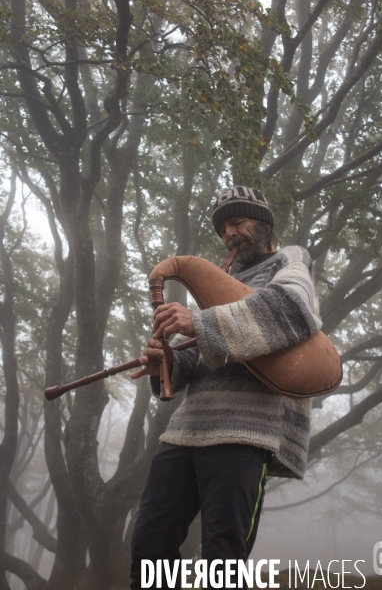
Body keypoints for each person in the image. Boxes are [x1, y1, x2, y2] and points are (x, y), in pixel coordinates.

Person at [129, 186, 322, 589]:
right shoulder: (222, 283)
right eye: (222, 229)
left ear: (263, 223)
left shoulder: (290, 259)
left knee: (222, 558)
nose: (229, 234)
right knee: (149, 544)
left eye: (237, 222)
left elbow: (293, 309)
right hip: (186, 431)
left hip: (246, 430)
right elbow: (198, 361)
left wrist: (197, 322)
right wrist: (164, 362)